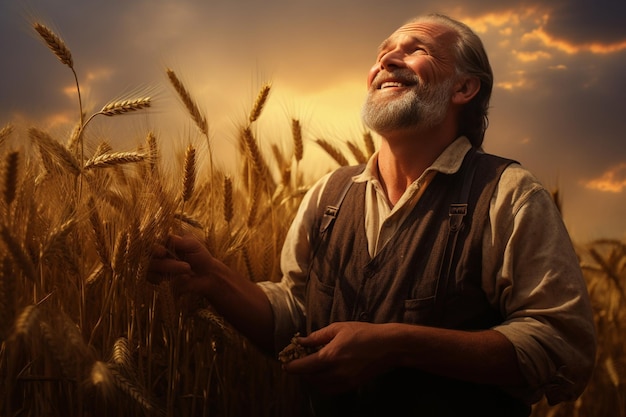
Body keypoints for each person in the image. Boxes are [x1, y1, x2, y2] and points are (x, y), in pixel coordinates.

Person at [149, 13, 596, 417]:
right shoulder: (329, 194)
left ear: (464, 88)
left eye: (415, 49)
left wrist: (398, 346)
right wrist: (214, 278)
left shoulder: (508, 195)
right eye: (382, 53)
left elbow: (560, 345)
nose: (387, 60)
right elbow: (296, 316)